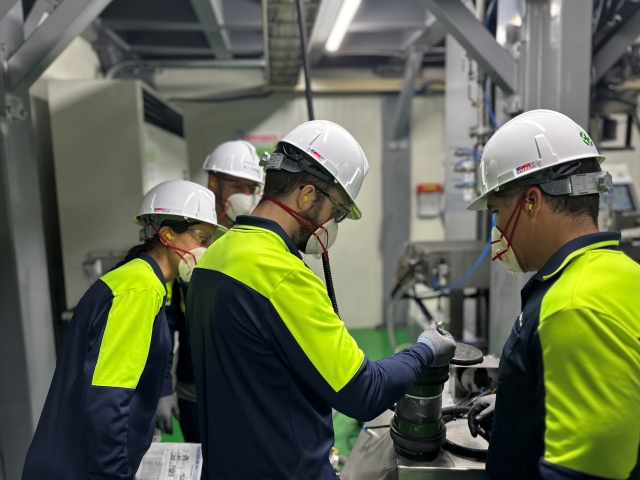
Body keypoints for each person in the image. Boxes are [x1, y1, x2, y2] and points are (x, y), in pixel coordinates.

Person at [187, 120, 457, 479]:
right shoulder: (281, 274)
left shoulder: (217, 256)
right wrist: (425, 349)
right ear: (307, 195)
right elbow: (364, 392)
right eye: (339, 210)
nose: (335, 223)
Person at [465, 109, 640, 480]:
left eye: (497, 211)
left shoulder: (574, 306)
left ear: (531, 201)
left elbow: (583, 473)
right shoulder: (622, 273)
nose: (497, 229)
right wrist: (525, 406)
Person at [22, 180, 224, 480]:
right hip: (80, 469)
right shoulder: (138, 290)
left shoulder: (147, 283)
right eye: (201, 239)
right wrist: (113, 474)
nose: (206, 250)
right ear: (167, 235)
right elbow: (107, 396)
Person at [155, 141, 265, 441]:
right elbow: (164, 322)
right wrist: (163, 387)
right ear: (213, 182)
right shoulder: (185, 239)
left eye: (250, 187)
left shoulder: (252, 239)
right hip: (197, 387)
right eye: (236, 185)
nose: (244, 194)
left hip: (245, 385)